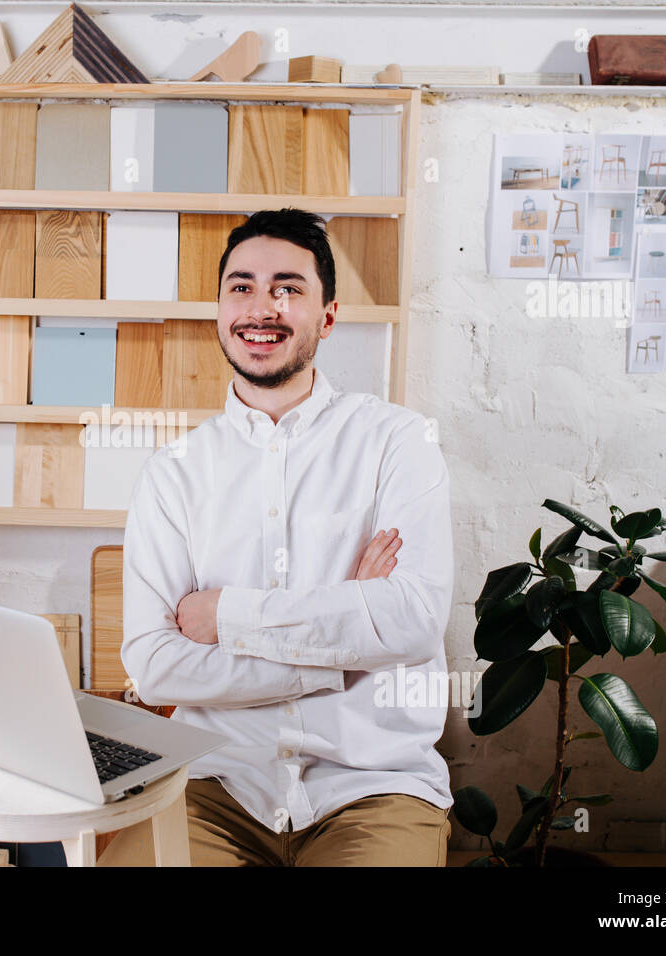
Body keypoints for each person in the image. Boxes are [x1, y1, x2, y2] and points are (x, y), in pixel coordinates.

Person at [97, 208, 454, 866]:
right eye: (242, 287)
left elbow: (412, 621)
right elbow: (156, 667)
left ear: (328, 314)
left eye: (288, 288)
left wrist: (226, 613)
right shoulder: (173, 474)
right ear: (218, 309)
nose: (262, 308)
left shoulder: (398, 443)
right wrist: (342, 645)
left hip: (372, 786)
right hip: (216, 784)